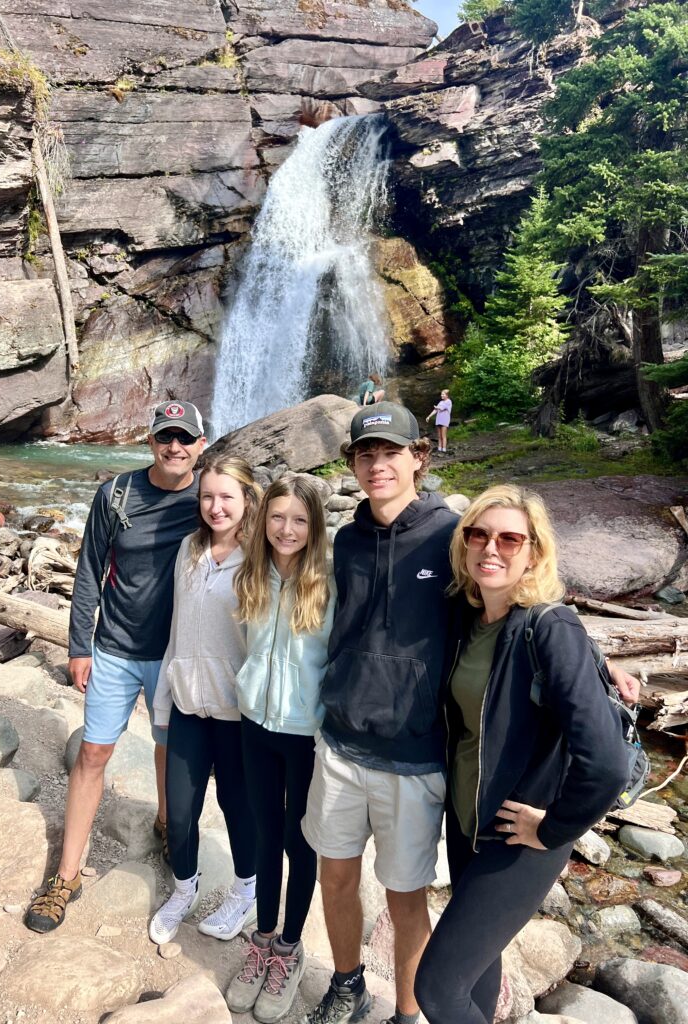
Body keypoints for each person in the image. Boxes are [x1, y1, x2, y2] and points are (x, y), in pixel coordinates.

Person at [414, 485, 631, 1024]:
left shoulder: (550, 626)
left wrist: (555, 828)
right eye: (478, 534)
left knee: (436, 989)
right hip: (468, 825)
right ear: (463, 544)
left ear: (534, 552)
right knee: (474, 978)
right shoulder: (470, 620)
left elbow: (607, 763)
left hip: (518, 839)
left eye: (511, 539)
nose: (492, 548)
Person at [300, 401, 458, 1024]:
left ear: (419, 457)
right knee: (335, 878)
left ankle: (408, 1012)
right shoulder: (347, 538)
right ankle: (347, 983)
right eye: (366, 454)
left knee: (405, 898)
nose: (377, 465)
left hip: (414, 755)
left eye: (391, 452)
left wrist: (594, 661)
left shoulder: (451, 537)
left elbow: (516, 602)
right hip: (339, 744)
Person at [25, 399, 206, 933]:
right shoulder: (117, 493)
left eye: (184, 438)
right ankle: (67, 874)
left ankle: (168, 822)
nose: (174, 447)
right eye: (164, 437)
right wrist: (78, 644)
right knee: (93, 753)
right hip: (114, 649)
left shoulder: (212, 498)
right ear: (151, 442)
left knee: (170, 747)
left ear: (200, 444)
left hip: (177, 652)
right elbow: (88, 570)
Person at [226, 476, 335, 1023]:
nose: (286, 530)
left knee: (300, 840)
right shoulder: (252, 575)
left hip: (305, 734)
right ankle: (262, 937)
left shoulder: (328, 583)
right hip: (255, 725)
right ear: (262, 519)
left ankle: (289, 948)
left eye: (298, 520)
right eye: (277, 517)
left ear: (314, 526)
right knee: (266, 834)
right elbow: (247, 646)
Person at [148, 455, 262, 945]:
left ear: (247, 500)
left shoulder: (261, 558)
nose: (216, 507)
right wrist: (163, 700)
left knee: (240, 808)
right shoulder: (189, 550)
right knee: (179, 811)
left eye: (226, 497)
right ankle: (184, 887)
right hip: (188, 705)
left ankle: (246, 891)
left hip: (238, 714)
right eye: (207, 497)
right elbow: (177, 630)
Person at [425, 389, 452, 453]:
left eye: (443, 394)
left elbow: (441, 408)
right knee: (439, 436)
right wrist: (429, 416)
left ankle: (444, 449)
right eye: (441, 394)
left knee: (443, 435)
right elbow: (435, 410)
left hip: (444, 420)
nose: (441, 395)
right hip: (439, 420)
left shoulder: (448, 401)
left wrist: (437, 407)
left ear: (447, 395)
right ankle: (439, 448)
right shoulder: (441, 402)